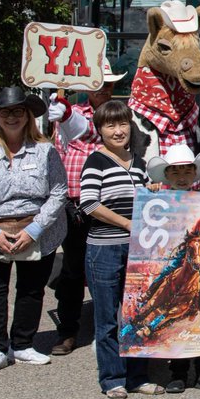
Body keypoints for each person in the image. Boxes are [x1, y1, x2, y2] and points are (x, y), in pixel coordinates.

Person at [78, 99, 162, 398]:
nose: (118, 131)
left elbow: (148, 202)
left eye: (123, 123)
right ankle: (113, 379)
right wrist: (126, 223)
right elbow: (89, 204)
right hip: (104, 249)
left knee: (138, 315)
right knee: (107, 317)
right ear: (100, 130)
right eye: (110, 125)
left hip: (138, 250)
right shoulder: (96, 161)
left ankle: (138, 377)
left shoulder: (139, 163)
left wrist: (153, 191)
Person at [44, 58, 126, 356]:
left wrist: (67, 116)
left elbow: (92, 130)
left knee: (115, 270)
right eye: (99, 84)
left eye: (109, 84)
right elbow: (64, 143)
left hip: (111, 204)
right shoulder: (71, 113)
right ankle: (68, 330)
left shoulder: (117, 116)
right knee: (73, 268)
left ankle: (114, 329)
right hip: (76, 203)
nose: (104, 89)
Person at [0, 87, 68, 374]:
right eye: (5, 112)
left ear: (28, 115)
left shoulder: (45, 150)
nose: (12, 117)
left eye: (18, 111)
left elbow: (58, 192)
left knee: (31, 289)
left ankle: (21, 344)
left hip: (37, 229)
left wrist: (33, 230)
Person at [143, 144, 200, 395]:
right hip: (180, 251)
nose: (182, 177)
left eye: (187, 172)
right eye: (176, 172)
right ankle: (177, 372)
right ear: (167, 176)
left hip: (198, 255)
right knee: (167, 270)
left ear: (195, 174)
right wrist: (151, 193)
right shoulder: (160, 199)